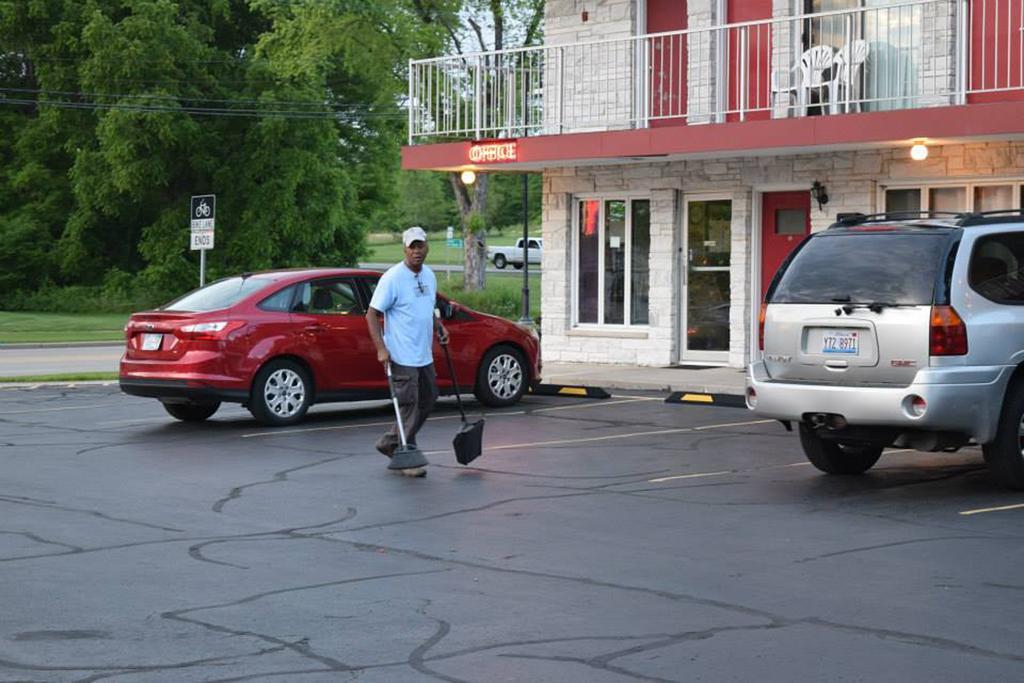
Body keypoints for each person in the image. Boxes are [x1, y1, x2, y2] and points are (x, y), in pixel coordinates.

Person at [366, 226, 449, 476]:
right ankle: (406, 453)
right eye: (412, 246)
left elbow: (428, 306)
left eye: (420, 246)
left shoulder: (429, 276)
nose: (416, 251)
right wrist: (381, 348)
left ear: (427, 247)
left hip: (423, 353)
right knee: (410, 404)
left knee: (429, 397)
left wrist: (439, 326)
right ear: (405, 248)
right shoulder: (392, 278)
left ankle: (390, 442)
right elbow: (371, 315)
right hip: (401, 355)